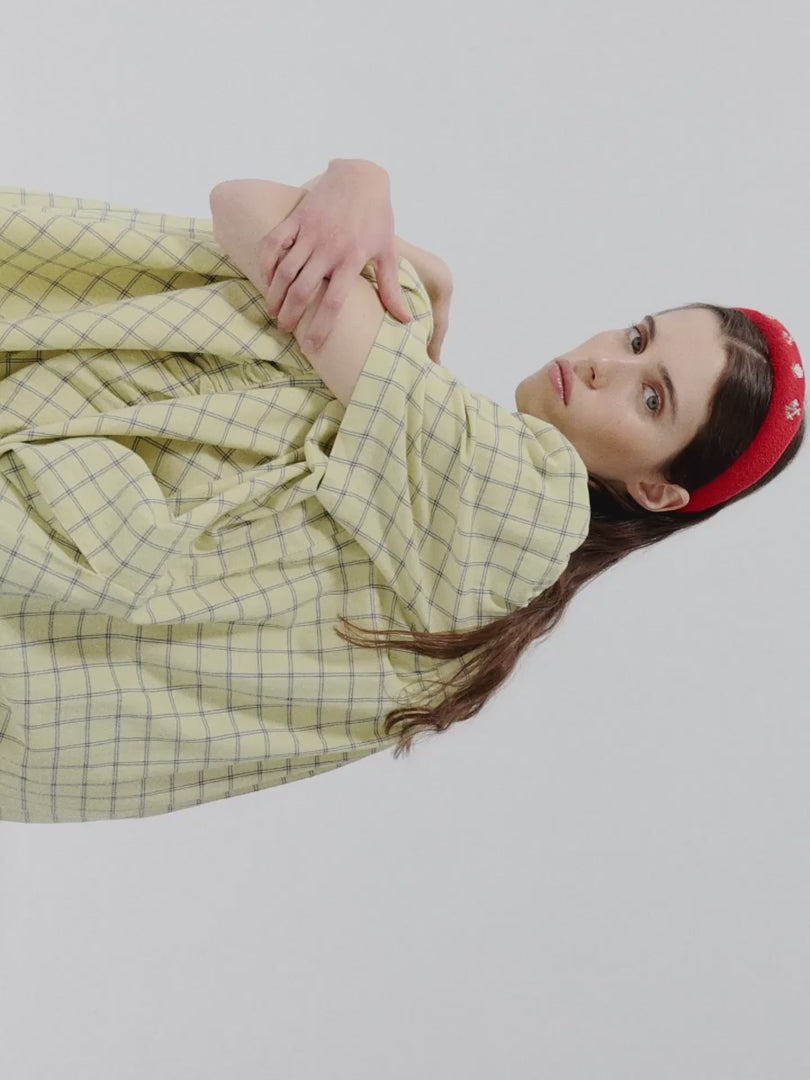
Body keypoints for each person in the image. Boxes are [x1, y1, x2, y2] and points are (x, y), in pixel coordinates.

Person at [0, 161, 803, 824]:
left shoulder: (529, 504)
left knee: (332, 309)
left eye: (651, 398)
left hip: (37, 558)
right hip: (36, 689)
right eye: (636, 337)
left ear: (657, 491)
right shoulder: (482, 583)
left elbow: (245, 210)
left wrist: (364, 188)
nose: (606, 365)